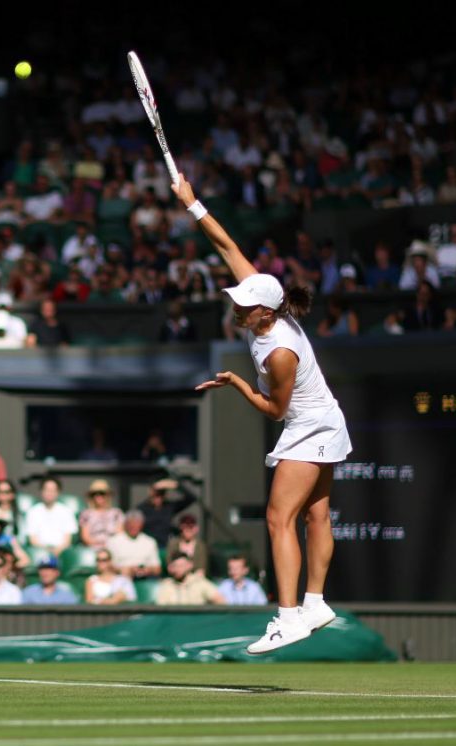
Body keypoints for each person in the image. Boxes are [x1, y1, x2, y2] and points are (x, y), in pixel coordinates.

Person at [173, 173, 350, 653]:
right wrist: (193, 204)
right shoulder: (263, 301)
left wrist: (236, 386)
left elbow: (274, 410)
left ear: (266, 315)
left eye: (246, 307)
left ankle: (289, 615)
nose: (239, 307)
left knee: (278, 518)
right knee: (316, 515)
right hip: (326, 421)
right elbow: (226, 244)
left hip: (309, 426)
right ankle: (316, 602)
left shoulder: (280, 354)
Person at [136, 479, 196, 550]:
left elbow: (191, 498)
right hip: (147, 548)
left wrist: (175, 485)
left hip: (165, 547)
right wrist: (154, 487)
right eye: (156, 495)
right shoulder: (142, 509)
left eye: (161, 494)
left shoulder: (169, 507)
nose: (158, 498)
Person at [25, 477, 77, 555]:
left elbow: (68, 540)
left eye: (52, 490)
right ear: (41, 491)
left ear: (58, 492)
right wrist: (46, 551)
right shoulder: (33, 512)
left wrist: (56, 551)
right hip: (39, 553)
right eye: (47, 490)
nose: (49, 493)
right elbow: (33, 540)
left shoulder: (66, 511)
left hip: (62, 552)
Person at [105, 510, 162, 579]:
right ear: (126, 524)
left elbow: (157, 569)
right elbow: (108, 566)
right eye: (131, 524)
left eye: (137, 524)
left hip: (145, 578)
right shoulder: (113, 541)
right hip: (121, 578)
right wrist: (127, 570)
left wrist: (147, 570)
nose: (134, 527)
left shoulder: (150, 542)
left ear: (141, 525)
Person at [156, 553, 226, 606]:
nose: (178, 569)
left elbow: (220, 601)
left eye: (181, 566)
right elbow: (161, 607)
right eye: (175, 566)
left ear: (189, 566)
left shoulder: (200, 582)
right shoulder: (167, 585)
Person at [79, 479, 124, 549]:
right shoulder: (86, 514)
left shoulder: (117, 513)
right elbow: (86, 538)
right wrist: (101, 544)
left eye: (102, 493)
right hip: (92, 549)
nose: (98, 496)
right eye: (95, 494)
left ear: (108, 495)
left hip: (114, 548)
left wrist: (109, 545)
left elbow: (120, 535)